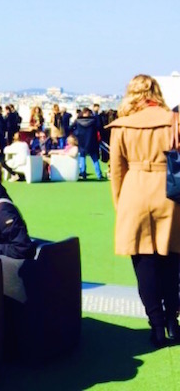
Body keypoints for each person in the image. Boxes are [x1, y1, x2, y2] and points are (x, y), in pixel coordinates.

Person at [107, 75, 180, 348]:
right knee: (172, 260)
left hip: (134, 191)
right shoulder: (172, 120)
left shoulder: (122, 125)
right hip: (169, 191)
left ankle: (157, 326)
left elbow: (116, 171)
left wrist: (120, 204)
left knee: (144, 264)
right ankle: (174, 320)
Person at [72, 108, 104, 180]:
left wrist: (77, 133)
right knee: (95, 159)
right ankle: (99, 175)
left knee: (82, 158)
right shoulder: (93, 121)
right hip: (92, 142)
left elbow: (71, 128)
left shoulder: (78, 121)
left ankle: (83, 174)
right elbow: (99, 127)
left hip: (81, 142)